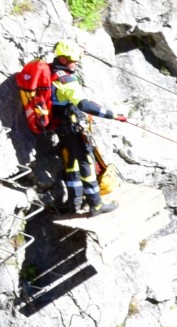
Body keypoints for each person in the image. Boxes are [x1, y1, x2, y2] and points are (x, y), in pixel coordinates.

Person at [50, 40, 126, 216]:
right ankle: (95, 205)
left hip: (61, 126)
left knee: (72, 162)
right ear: (63, 59)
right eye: (73, 61)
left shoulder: (53, 71)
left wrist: (79, 51)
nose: (76, 63)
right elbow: (84, 105)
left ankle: (74, 203)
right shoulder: (66, 80)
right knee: (87, 163)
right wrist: (113, 115)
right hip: (72, 126)